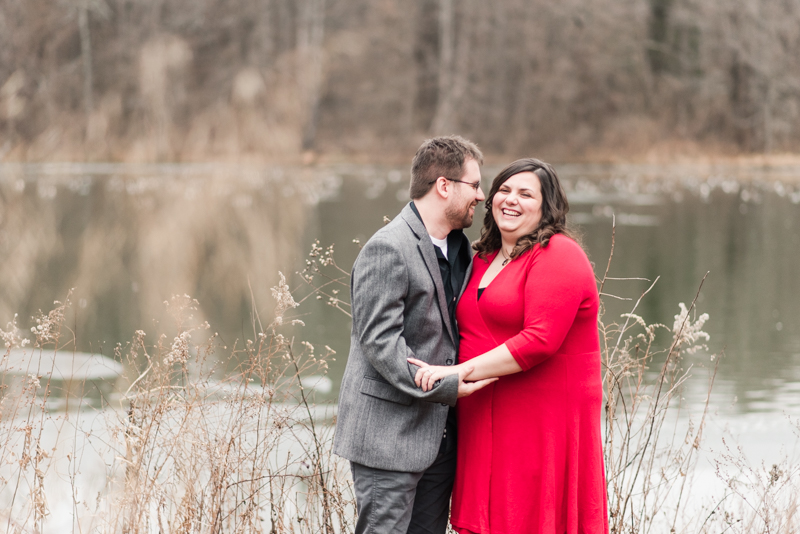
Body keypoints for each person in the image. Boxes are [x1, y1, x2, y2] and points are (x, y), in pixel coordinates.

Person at [409, 158, 609, 534]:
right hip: (483, 416)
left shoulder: (559, 255)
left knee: (529, 518)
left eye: (525, 194)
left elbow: (539, 340)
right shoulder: (483, 257)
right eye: (503, 190)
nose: (511, 200)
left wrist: (455, 373)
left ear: (546, 206)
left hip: (540, 420)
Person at [333, 136, 497, 534]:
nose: (481, 196)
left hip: (438, 443)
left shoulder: (459, 249)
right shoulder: (388, 249)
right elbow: (379, 342)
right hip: (388, 439)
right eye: (474, 185)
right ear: (445, 186)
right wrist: (446, 385)